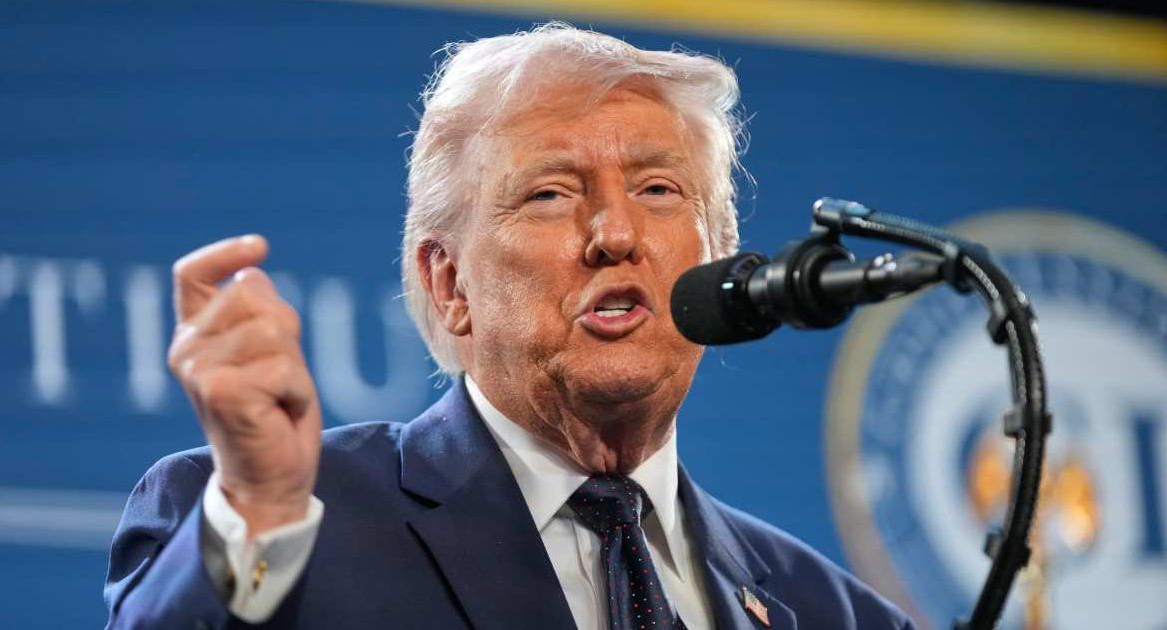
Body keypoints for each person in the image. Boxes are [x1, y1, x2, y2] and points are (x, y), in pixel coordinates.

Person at [104, 23, 915, 630]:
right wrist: (257, 509)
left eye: (660, 190)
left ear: (720, 260)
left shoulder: (835, 613)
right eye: (552, 193)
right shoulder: (278, 522)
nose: (616, 233)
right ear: (447, 281)